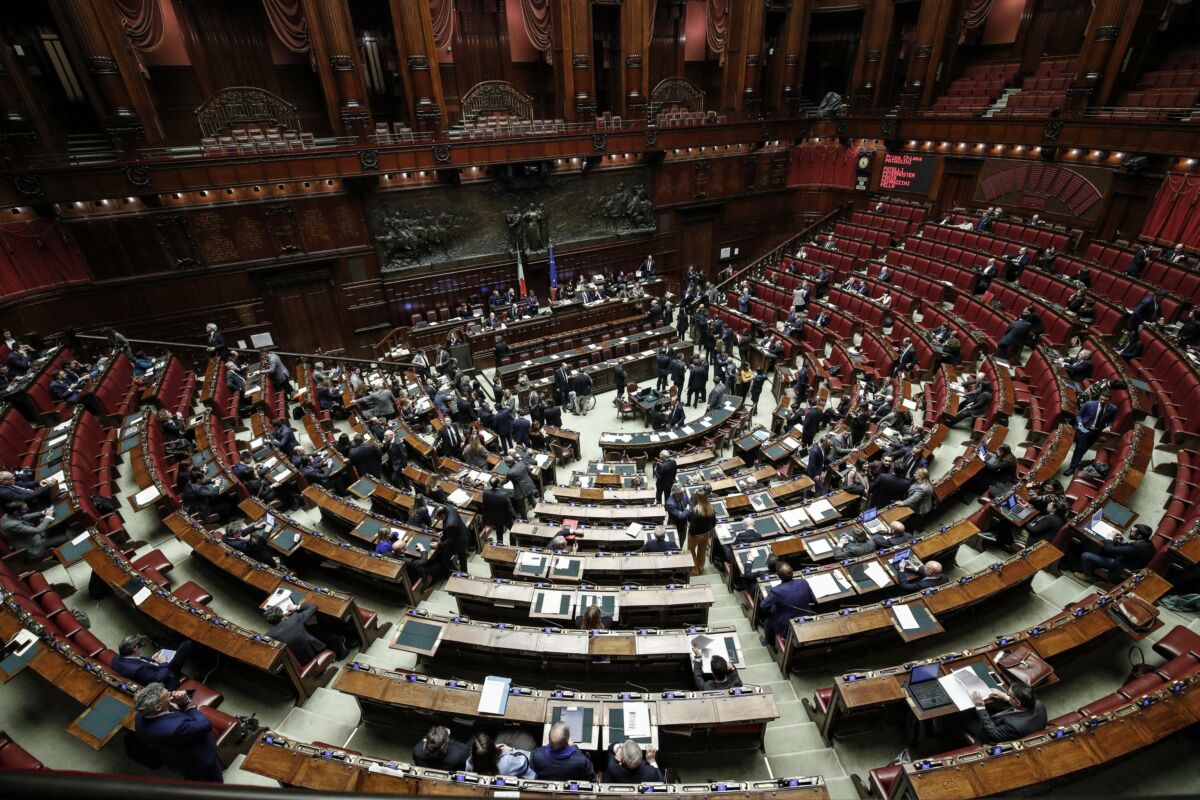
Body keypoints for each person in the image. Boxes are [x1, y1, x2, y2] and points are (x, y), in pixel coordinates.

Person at [133, 683, 223, 782]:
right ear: (158, 707)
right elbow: (205, 724)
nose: (172, 695)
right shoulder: (174, 728)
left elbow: (170, 717)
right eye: (168, 696)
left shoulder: (139, 717)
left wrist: (180, 703)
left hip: (175, 757)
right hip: (199, 760)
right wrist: (189, 708)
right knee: (213, 781)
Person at [264, 601, 345, 663]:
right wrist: (296, 607)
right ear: (282, 615)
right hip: (314, 653)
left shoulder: (269, 635)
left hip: (298, 660)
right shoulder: (294, 619)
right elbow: (314, 607)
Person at [966, 682, 1047, 744]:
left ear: (1018, 703)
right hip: (1008, 719)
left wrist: (980, 707)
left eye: (1009, 694)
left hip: (989, 735)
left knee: (964, 717)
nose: (1007, 694)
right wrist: (1005, 696)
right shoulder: (1038, 703)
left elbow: (993, 733)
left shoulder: (1014, 726)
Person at [759, 563, 815, 648]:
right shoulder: (803, 582)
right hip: (806, 618)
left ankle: (770, 643)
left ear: (778, 575)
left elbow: (763, 606)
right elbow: (812, 599)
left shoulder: (776, 590)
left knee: (768, 621)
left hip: (786, 626)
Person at [112, 635, 195, 690]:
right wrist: (163, 663)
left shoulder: (117, 659)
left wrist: (152, 658)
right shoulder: (138, 670)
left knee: (175, 643)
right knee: (187, 644)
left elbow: (138, 660)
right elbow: (159, 679)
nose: (142, 649)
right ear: (136, 648)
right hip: (166, 679)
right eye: (141, 647)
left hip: (154, 668)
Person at [1078, 524, 1154, 582]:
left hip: (1120, 568)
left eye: (1132, 532)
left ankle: (1089, 576)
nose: (1130, 532)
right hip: (1128, 560)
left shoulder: (1137, 547)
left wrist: (1109, 538)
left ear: (1139, 536)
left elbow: (1109, 549)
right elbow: (1129, 549)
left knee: (1086, 556)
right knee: (1102, 549)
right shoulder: (1148, 543)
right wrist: (1120, 541)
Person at [1066, 389, 1117, 474]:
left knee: (1084, 448)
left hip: (1096, 432)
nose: (1102, 401)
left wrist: (1109, 426)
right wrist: (1080, 424)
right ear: (1099, 397)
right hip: (1084, 429)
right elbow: (1079, 416)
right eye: (1101, 399)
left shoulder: (1113, 409)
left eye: (1105, 400)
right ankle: (1072, 468)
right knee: (1079, 448)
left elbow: (1111, 420)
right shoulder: (1089, 404)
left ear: (1109, 400)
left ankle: (1077, 462)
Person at [1, 501, 66, 557]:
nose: (28, 509)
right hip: (32, 546)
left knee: (58, 526)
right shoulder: (12, 525)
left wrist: (43, 512)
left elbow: (26, 516)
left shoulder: (8, 515)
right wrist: (48, 517)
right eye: (25, 509)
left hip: (34, 536)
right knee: (64, 537)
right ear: (16, 512)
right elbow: (37, 530)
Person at [466, 731, 536, 778]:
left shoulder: (469, 764)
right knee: (525, 736)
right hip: (524, 772)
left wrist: (488, 750)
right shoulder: (508, 761)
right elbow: (525, 761)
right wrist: (511, 750)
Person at [482, 476, 518, 545]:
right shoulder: (504, 494)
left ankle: (500, 545)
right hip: (505, 517)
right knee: (513, 529)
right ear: (498, 484)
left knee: (499, 532)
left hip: (494, 516)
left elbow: (485, 505)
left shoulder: (485, 493)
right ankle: (513, 545)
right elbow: (510, 509)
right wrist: (516, 518)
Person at [505, 452, 539, 520]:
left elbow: (506, 481)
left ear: (508, 464)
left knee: (522, 507)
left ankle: (525, 520)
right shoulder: (521, 463)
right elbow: (530, 473)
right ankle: (538, 513)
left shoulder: (510, 473)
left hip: (520, 491)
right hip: (528, 485)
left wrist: (498, 483)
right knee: (532, 500)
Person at [664, 483, 690, 547]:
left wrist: (684, 512)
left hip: (684, 524)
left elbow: (690, 505)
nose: (683, 494)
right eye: (681, 493)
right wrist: (686, 510)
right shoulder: (670, 503)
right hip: (674, 525)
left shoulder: (684, 495)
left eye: (683, 492)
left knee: (682, 541)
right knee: (673, 542)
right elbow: (680, 516)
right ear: (676, 493)